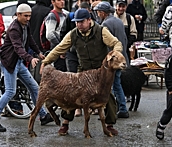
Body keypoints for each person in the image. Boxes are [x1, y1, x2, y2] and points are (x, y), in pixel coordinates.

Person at [40, 8, 123, 136]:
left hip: (100, 71)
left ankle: (109, 124)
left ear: (89, 20)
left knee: (107, 96)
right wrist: (46, 61)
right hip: (84, 70)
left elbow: (116, 43)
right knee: (71, 94)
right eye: (76, 22)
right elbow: (59, 48)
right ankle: (65, 123)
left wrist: (114, 54)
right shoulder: (73, 34)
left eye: (81, 22)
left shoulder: (101, 31)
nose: (78, 24)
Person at [0, 4, 54, 132]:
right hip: (9, 63)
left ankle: (43, 115)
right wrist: (30, 58)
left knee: (34, 87)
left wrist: (38, 52)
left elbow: (30, 41)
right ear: (18, 15)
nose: (28, 18)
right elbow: (18, 48)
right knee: (10, 91)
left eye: (29, 16)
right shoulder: (14, 29)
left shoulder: (25, 25)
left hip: (19, 62)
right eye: (26, 16)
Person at [94, 1, 129, 118]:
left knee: (112, 85)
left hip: (113, 60)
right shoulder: (118, 21)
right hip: (121, 57)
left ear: (103, 13)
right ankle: (121, 107)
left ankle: (115, 110)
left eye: (98, 12)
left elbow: (106, 44)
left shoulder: (105, 25)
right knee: (117, 83)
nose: (98, 14)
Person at [29, 0, 51, 83]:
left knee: (32, 67)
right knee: (41, 69)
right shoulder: (48, 11)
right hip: (43, 44)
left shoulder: (32, 10)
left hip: (31, 43)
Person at [45, 0, 68, 72]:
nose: (62, 2)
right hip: (57, 49)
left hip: (64, 49)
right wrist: (60, 48)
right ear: (53, 2)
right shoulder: (52, 16)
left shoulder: (65, 14)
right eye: (59, 0)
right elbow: (49, 35)